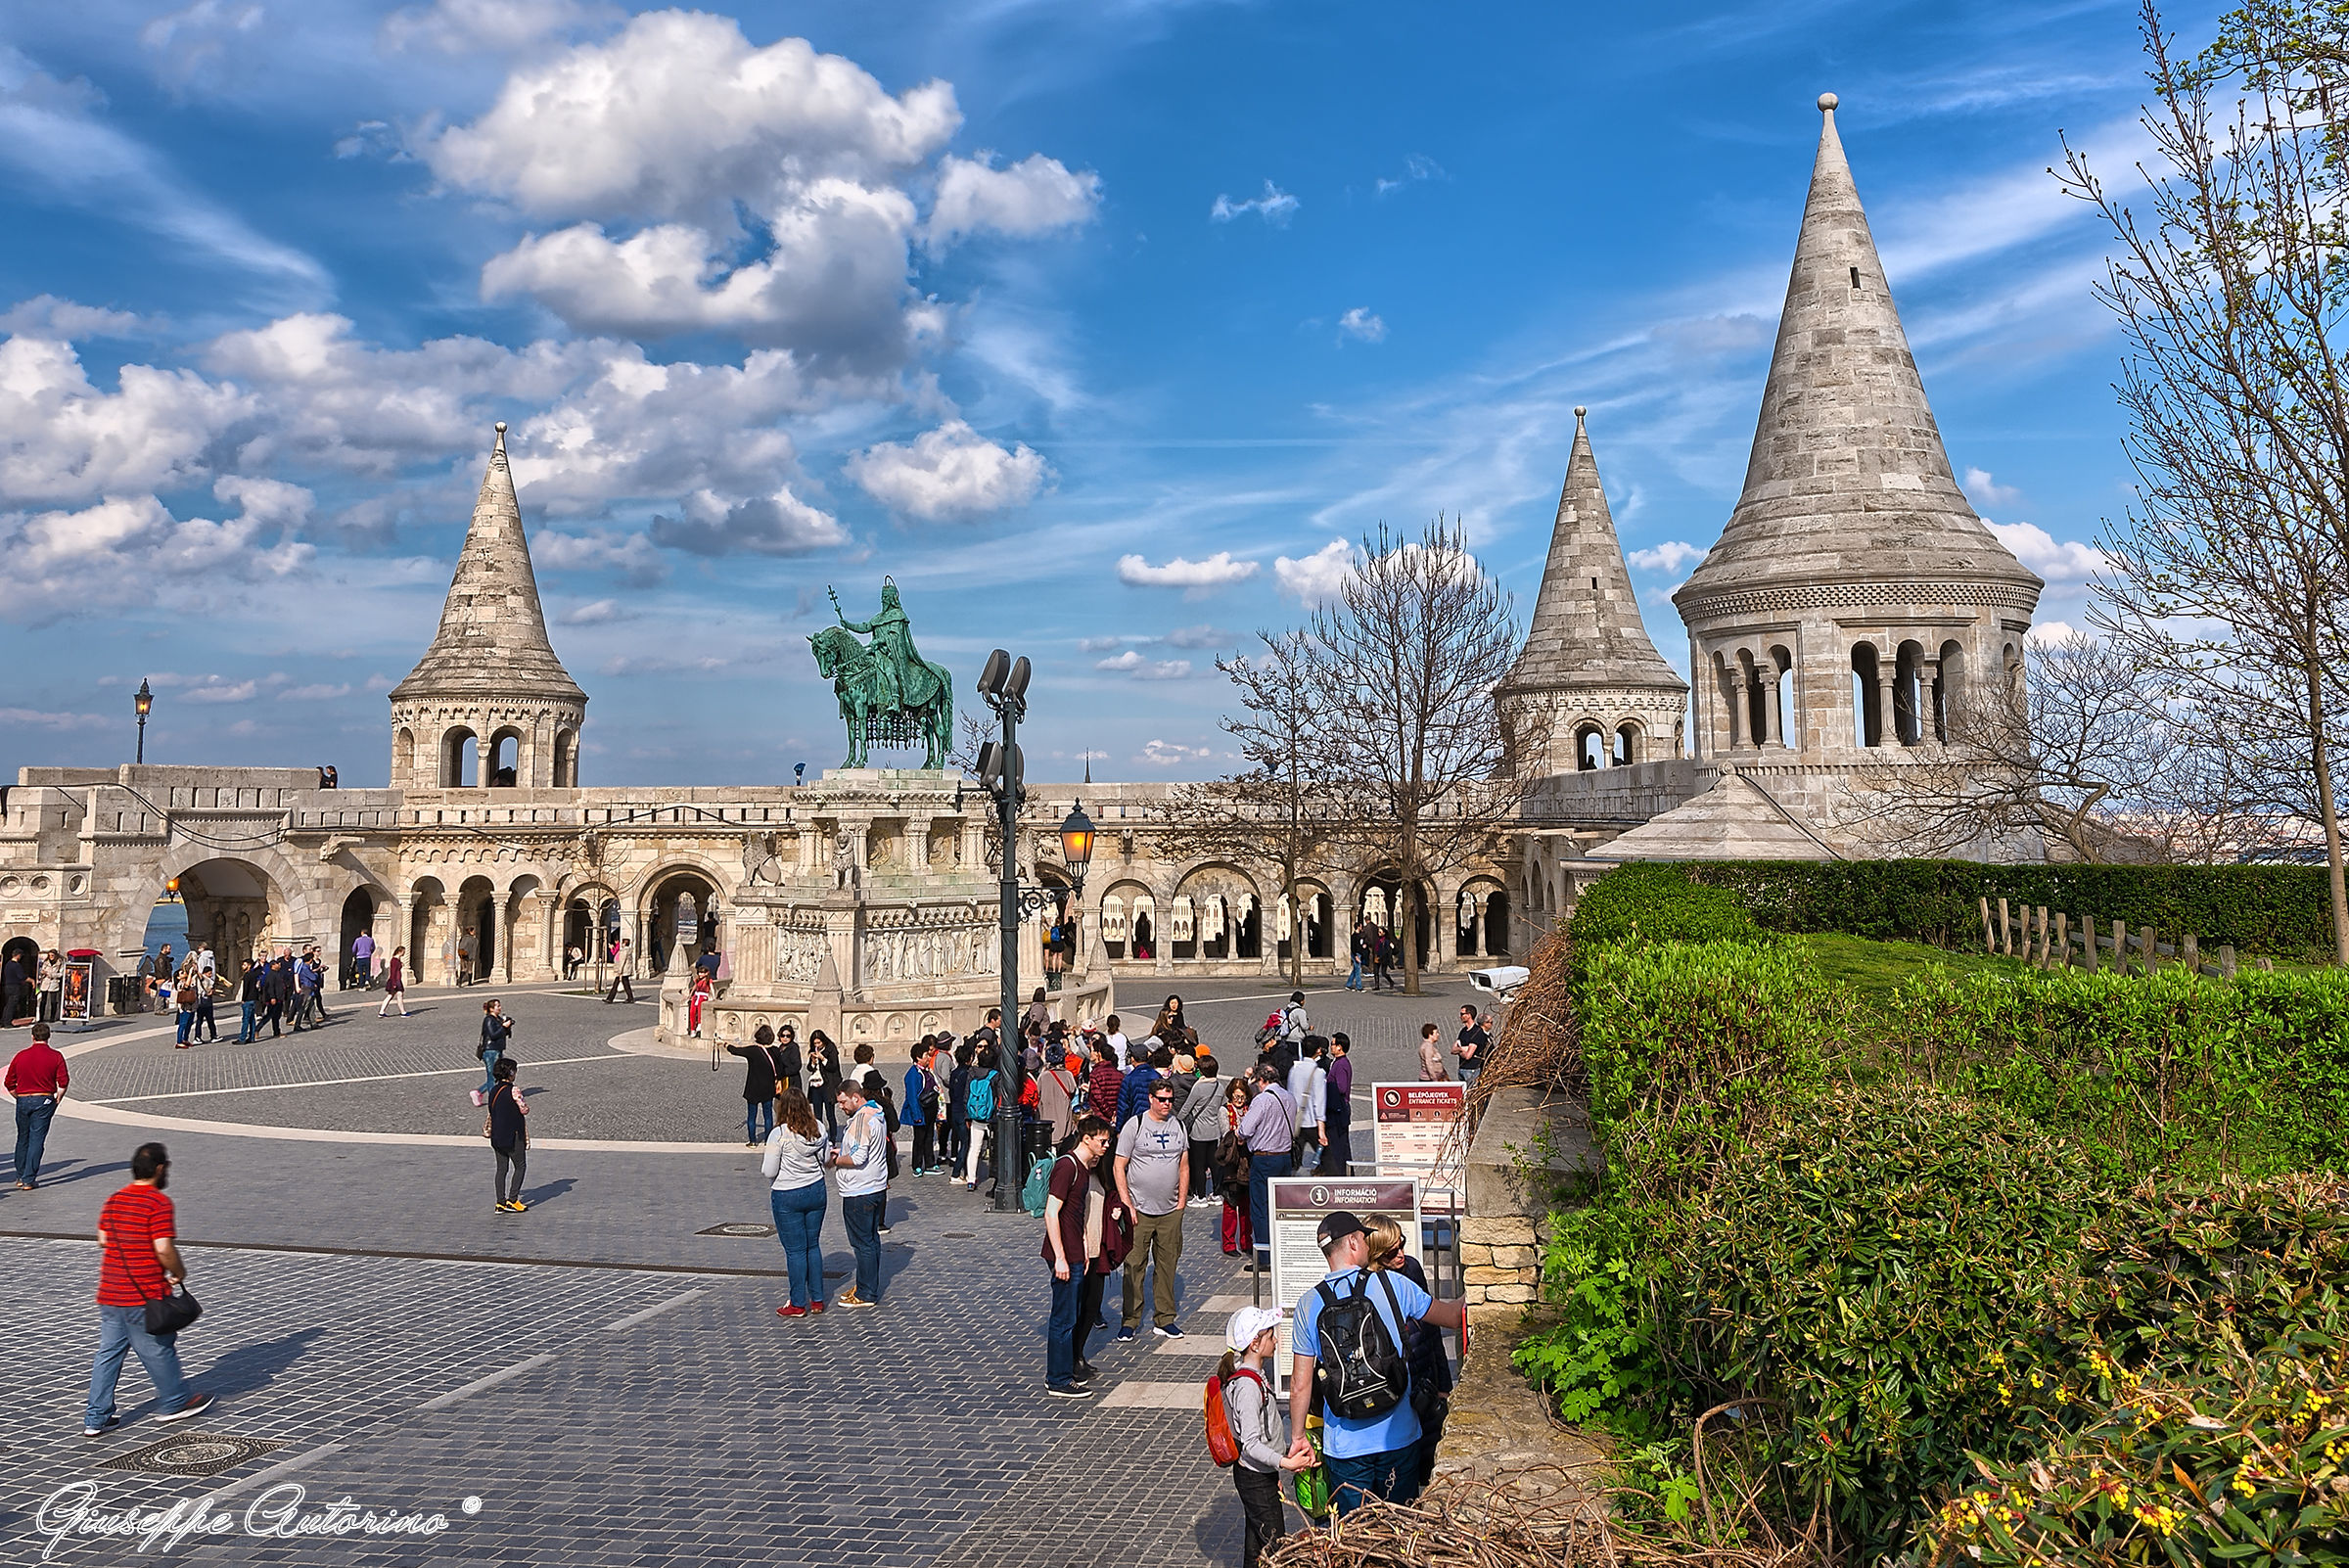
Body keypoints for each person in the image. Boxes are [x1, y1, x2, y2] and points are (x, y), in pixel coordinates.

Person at [1285, 1211, 1469, 1514]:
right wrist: (1481, 1283)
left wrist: (1297, 1438)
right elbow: (1452, 1317)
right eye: (1365, 1239)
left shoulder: (1308, 1304)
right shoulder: (1392, 1285)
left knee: (1356, 1536)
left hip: (1344, 1447)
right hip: (1398, 1437)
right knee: (1399, 1527)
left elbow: (1300, 1384)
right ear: (1355, 1242)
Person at [85, 1142, 213, 1434]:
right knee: (158, 1348)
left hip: (110, 1292)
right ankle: (176, 1401)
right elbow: (163, 1247)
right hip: (143, 1294)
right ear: (159, 1169)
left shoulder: (115, 1199)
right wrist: (178, 1272)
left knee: (108, 1354)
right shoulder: (157, 1203)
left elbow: (103, 1239)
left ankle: (96, 1417)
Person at [1363, 1214, 1455, 1496]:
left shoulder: (1411, 1269)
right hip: (1394, 1393)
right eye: (1392, 1252)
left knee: (1428, 1471)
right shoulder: (1367, 1284)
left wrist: (1443, 1385)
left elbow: (1432, 1329)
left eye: (1401, 1243)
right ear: (1377, 1254)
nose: (1401, 1254)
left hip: (1424, 1380)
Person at [1221, 1305, 1312, 1568]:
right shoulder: (1248, 1387)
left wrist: (1275, 1472)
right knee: (1275, 1547)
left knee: (1256, 1546)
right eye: (1271, 1336)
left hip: (1260, 1476)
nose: (1276, 1340)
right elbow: (1250, 1444)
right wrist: (1285, 1464)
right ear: (1255, 1343)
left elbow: (1266, 1434)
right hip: (1254, 1477)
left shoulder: (1255, 1377)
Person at [1041, 1116, 1121, 1399]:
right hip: (1065, 1254)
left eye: (1108, 1140)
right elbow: (1052, 1213)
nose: (1106, 1145)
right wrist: (1061, 1257)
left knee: (1071, 1316)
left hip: (1077, 1252)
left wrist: (1085, 1246)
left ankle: (1064, 1373)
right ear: (1086, 1139)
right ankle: (1058, 1378)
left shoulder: (1085, 1169)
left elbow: (1077, 1215)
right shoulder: (1067, 1166)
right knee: (1063, 1319)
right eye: (1102, 1140)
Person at [1115, 1076, 1189, 1341]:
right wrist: (1127, 1203)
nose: (1167, 1104)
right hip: (1139, 1210)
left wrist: (1181, 1203)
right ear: (1151, 1099)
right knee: (1134, 1265)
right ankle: (1130, 1319)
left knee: (1167, 1265)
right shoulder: (1134, 1125)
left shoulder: (1178, 1126)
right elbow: (1119, 1166)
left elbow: (1184, 1166)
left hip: (1170, 1210)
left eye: (1170, 1100)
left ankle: (1165, 1318)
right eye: (1162, 1100)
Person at [763, 1084, 829, 1316]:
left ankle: (798, 1302)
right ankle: (818, 1299)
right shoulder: (818, 1127)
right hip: (816, 1189)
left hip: (787, 1193)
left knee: (795, 1250)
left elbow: (769, 1170)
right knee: (813, 1245)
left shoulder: (779, 1134)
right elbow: (824, 1159)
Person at [826, 1080, 887, 1308]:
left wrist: (835, 1160)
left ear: (855, 1097)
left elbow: (858, 1157)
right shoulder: (875, 1114)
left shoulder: (862, 1120)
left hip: (860, 1189)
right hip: (874, 1186)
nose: (841, 1107)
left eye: (843, 1102)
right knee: (871, 1240)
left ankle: (866, 1292)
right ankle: (865, 1284)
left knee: (862, 1243)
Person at [1238, 1063, 1295, 1273]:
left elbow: (1245, 1129)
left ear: (1261, 1081)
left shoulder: (1262, 1100)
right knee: (1279, 1207)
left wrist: (1241, 1135)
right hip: (1285, 1157)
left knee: (1260, 1208)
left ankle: (1265, 1255)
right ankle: (1280, 1250)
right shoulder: (1289, 1097)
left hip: (1264, 1158)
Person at [8, 1022, 68, 1188]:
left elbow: (9, 1082)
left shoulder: (21, 1055)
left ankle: (20, 1175)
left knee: (22, 1138)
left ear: (32, 1037)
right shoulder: (55, 1056)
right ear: (48, 1037)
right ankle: (28, 1178)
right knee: (37, 1139)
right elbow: (63, 1082)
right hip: (43, 1099)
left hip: (23, 1099)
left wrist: (17, 1096)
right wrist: (58, 1098)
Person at [727, 1025, 786, 1147]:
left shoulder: (753, 1050)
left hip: (753, 1088)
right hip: (768, 1087)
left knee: (751, 1116)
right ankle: (768, 1140)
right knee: (768, 1115)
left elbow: (735, 1050)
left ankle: (753, 1141)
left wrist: (724, 1044)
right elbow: (780, 1071)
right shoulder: (775, 1051)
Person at [1179, 1051, 1224, 1207]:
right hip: (1214, 1131)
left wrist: (1177, 1121)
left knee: (1198, 1165)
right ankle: (1217, 1193)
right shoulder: (1220, 1087)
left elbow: (1186, 1108)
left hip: (1198, 1131)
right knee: (1214, 1164)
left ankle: (1200, 1195)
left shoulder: (1198, 1088)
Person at [1218, 1079, 1257, 1257]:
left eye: (1242, 1095)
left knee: (1246, 1206)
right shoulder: (1224, 1111)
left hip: (1247, 1163)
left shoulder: (1250, 1110)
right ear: (1231, 1094)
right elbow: (1226, 1134)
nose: (1240, 1099)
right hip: (1231, 1164)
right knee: (1231, 1205)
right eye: (1236, 1095)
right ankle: (1229, 1243)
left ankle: (1246, 1241)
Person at [485, 1058, 530, 1212]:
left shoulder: (493, 1091)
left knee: (501, 1168)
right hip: (513, 1135)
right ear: (511, 1072)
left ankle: (500, 1202)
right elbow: (523, 1109)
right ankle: (513, 1199)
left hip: (497, 1136)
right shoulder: (514, 1090)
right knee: (520, 1166)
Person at [960, 1045, 999, 1191]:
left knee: (974, 1148)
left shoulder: (972, 1073)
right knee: (995, 1148)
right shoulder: (995, 1075)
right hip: (991, 1117)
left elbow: (966, 1095)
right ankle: (997, 1176)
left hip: (976, 1116)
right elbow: (999, 1096)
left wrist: (967, 1116)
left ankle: (971, 1179)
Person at [1287, 1037, 1328, 1175]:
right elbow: (1319, 1103)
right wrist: (1321, 1131)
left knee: (1294, 1160)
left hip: (1296, 1122)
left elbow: (1289, 1095)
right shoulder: (1318, 1073)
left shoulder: (1294, 1069)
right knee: (1327, 1159)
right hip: (1311, 1123)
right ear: (1318, 1050)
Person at [905, 1040, 943, 1176]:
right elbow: (912, 1096)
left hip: (930, 1109)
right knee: (919, 1138)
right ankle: (917, 1165)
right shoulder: (913, 1074)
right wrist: (916, 1115)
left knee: (929, 1136)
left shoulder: (927, 1071)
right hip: (921, 1110)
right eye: (926, 1055)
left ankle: (930, 1163)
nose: (928, 1057)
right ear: (918, 1057)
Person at [1036, 1042, 1081, 1149]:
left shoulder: (1043, 1076)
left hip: (1047, 1124)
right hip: (1064, 1125)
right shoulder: (1068, 1075)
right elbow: (1073, 1091)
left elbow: (1038, 1094)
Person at [1116, 1043, 1168, 1135]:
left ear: (1132, 1059)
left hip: (1136, 1123)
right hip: (1156, 1120)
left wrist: (1119, 1128)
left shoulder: (1129, 1079)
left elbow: (1123, 1107)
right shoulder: (1157, 1076)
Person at [1323, 1035, 1356, 1176]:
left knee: (1339, 1145)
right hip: (1339, 1108)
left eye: (1332, 1044)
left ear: (1339, 1047)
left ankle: (1342, 1174)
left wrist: (1327, 1084)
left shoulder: (1341, 1064)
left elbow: (1341, 1087)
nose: (1330, 1046)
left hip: (1339, 1109)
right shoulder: (1338, 1062)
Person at [475, 999, 513, 1105]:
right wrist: (503, 1026)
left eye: (500, 1005)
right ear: (491, 1009)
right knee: (492, 1076)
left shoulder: (498, 1019)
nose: (500, 1008)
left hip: (498, 1049)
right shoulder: (488, 1020)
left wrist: (508, 1027)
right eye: (498, 1006)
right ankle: (494, 1100)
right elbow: (493, 1035)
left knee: (497, 1076)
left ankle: (478, 1092)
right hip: (490, 1051)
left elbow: (503, 1034)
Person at [806, 1031, 843, 1138]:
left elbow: (833, 1067)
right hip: (816, 1085)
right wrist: (813, 1062)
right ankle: (819, 1136)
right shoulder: (814, 1050)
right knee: (817, 1114)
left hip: (828, 1085)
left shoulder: (831, 1049)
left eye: (819, 1043)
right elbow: (809, 1068)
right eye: (815, 1043)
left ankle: (832, 1137)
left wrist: (823, 1059)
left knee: (830, 1114)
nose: (817, 1045)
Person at [1085, 1036, 1124, 1126]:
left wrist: (1109, 1114)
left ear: (1099, 1054)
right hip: (1115, 1115)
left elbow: (1099, 1098)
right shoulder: (1120, 1075)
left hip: (1101, 1116)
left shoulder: (1095, 1074)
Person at [1454, 1005, 1489, 1088]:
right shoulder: (1463, 1031)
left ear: (1469, 1015)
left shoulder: (1477, 1032)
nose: (1460, 1016)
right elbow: (1453, 1050)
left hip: (1472, 1069)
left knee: (1470, 1094)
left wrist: (1459, 1050)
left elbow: (1468, 1056)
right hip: (1462, 1068)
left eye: (1462, 1014)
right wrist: (1462, 1049)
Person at [172, 972, 200, 1048]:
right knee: (183, 1024)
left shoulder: (190, 981)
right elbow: (186, 987)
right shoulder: (180, 984)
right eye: (182, 973)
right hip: (185, 1007)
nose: (184, 973)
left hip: (192, 1006)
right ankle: (179, 1041)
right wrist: (190, 973)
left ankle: (185, 1039)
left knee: (189, 1024)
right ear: (178, 977)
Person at [378, 946, 407, 1017]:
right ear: (400, 952)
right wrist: (394, 983)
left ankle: (382, 1012)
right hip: (395, 980)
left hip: (396, 980)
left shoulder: (396, 960)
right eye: (403, 952)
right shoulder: (394, 960)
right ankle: (403, 1012)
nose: (404, 953)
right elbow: (393, 972)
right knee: (398, 995)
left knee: (391, 996)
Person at [603, 939, 635, 1003]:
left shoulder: (624, 951)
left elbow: (622, 961)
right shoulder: (628, 950)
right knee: (624, 985)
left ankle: (610, 998)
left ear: (624, 943)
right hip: (625, 971)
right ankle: (611, 998)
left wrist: (620, 971)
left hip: (623, 971)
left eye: (622, 943)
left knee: (618, 985)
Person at [1346, 926, 1367, 992]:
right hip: (1356, 954)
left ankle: (1348, 984)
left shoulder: (1360, 935)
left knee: (1355, 970)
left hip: (1359, 953)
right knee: (1358, 971)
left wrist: (1363, 946)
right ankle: (1359, 986)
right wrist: (1355, 956)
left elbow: (1360, 944)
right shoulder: (1354, 936)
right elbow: (1353, 947)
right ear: (1358, 927)